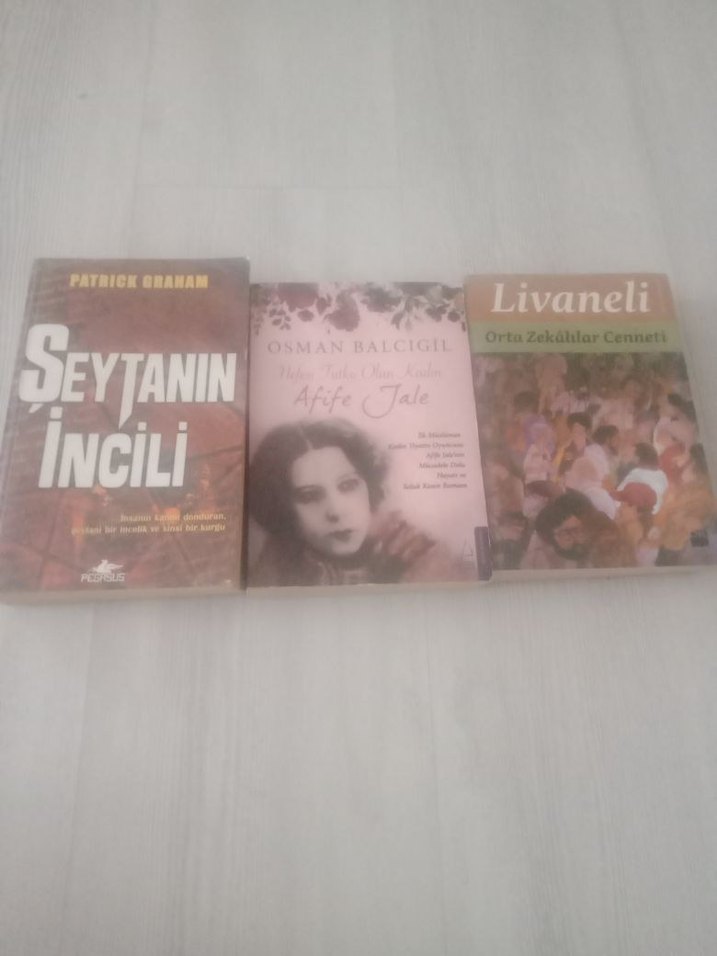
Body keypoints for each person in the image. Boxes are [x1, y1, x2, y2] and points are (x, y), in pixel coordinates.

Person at [248, 419, 472, 586]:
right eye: (309, 496)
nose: (336, 511)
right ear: (283, 506)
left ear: (369, 486)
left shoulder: (423, 556)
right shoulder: (279, 558)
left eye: (348, 486)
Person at [521, 490, 635, 571]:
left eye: (577, 530)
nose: (574, 537)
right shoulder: (542, 549)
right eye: (565, 533)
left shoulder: (606, 542)